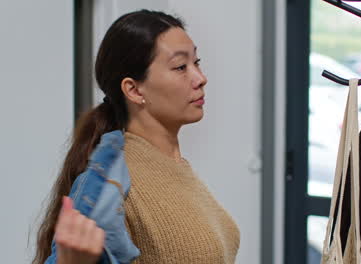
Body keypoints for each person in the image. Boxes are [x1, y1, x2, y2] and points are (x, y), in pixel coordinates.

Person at [33, 10, 240, 264]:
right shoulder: (112, 181)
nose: (200, 78)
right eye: (180, 67)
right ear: (133, 89)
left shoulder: (175, 168)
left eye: (196, 62)